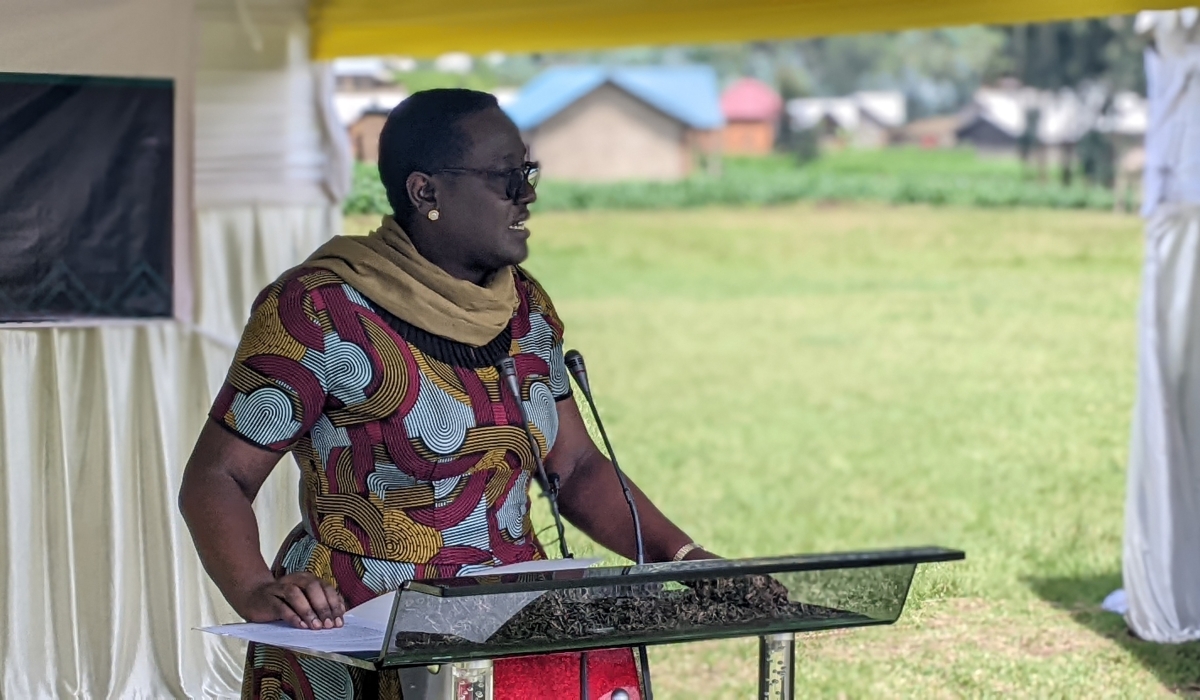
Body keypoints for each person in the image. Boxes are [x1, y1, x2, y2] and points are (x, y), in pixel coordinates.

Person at [178, 88, 713, 699]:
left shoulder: (526, 310)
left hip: (515, 634)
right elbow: (218, 478)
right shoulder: (319, 310)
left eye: (527, 172)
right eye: (503, 177)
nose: (527, 194)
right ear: (424, 191)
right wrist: (252, 589)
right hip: (355, 636)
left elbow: (577, 467)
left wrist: (684, 557)